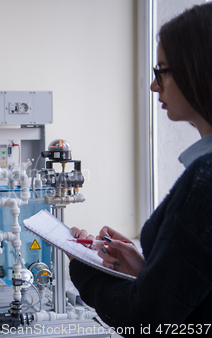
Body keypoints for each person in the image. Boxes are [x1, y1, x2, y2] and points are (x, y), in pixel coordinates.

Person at [69, 3, 212, 336]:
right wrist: (150, 271)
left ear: (198, 69)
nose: (154, 85)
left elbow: (147, 318)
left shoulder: (205, 180)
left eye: (161, 70)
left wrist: (83, 267)